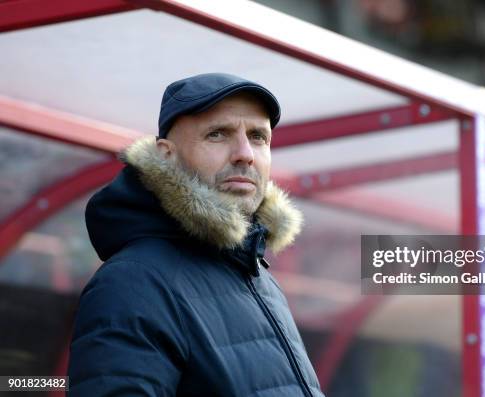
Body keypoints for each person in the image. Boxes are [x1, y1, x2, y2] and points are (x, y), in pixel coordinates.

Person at [68, 73, 324, 397]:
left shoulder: (258, 277)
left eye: (259, 137)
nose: (245, 153)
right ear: (165, 154)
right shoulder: (133, 282)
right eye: (218, 134)